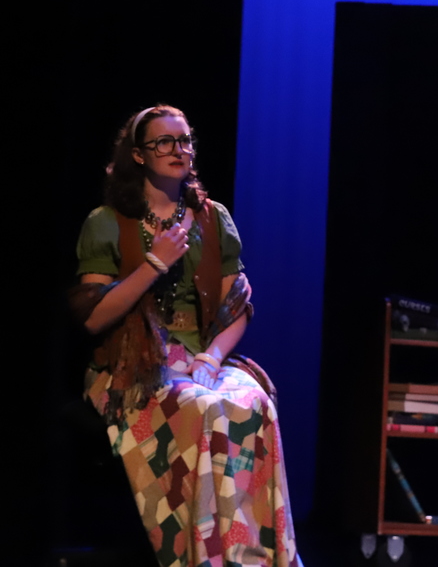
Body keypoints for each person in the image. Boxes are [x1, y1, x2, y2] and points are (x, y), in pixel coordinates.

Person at [70, 105, 301, 567]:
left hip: (200, 359)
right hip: (133, 367)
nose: (178, 150)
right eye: (164, 142)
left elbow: (237, 308)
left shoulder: (212, 219)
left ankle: (254, 557)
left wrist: (213, 358)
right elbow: (93, 319)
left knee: (254, 403)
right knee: (206, 407)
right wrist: (154, 263)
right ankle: (206, 556)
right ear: (138, 155)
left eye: (184, 141)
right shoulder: (108, 221)